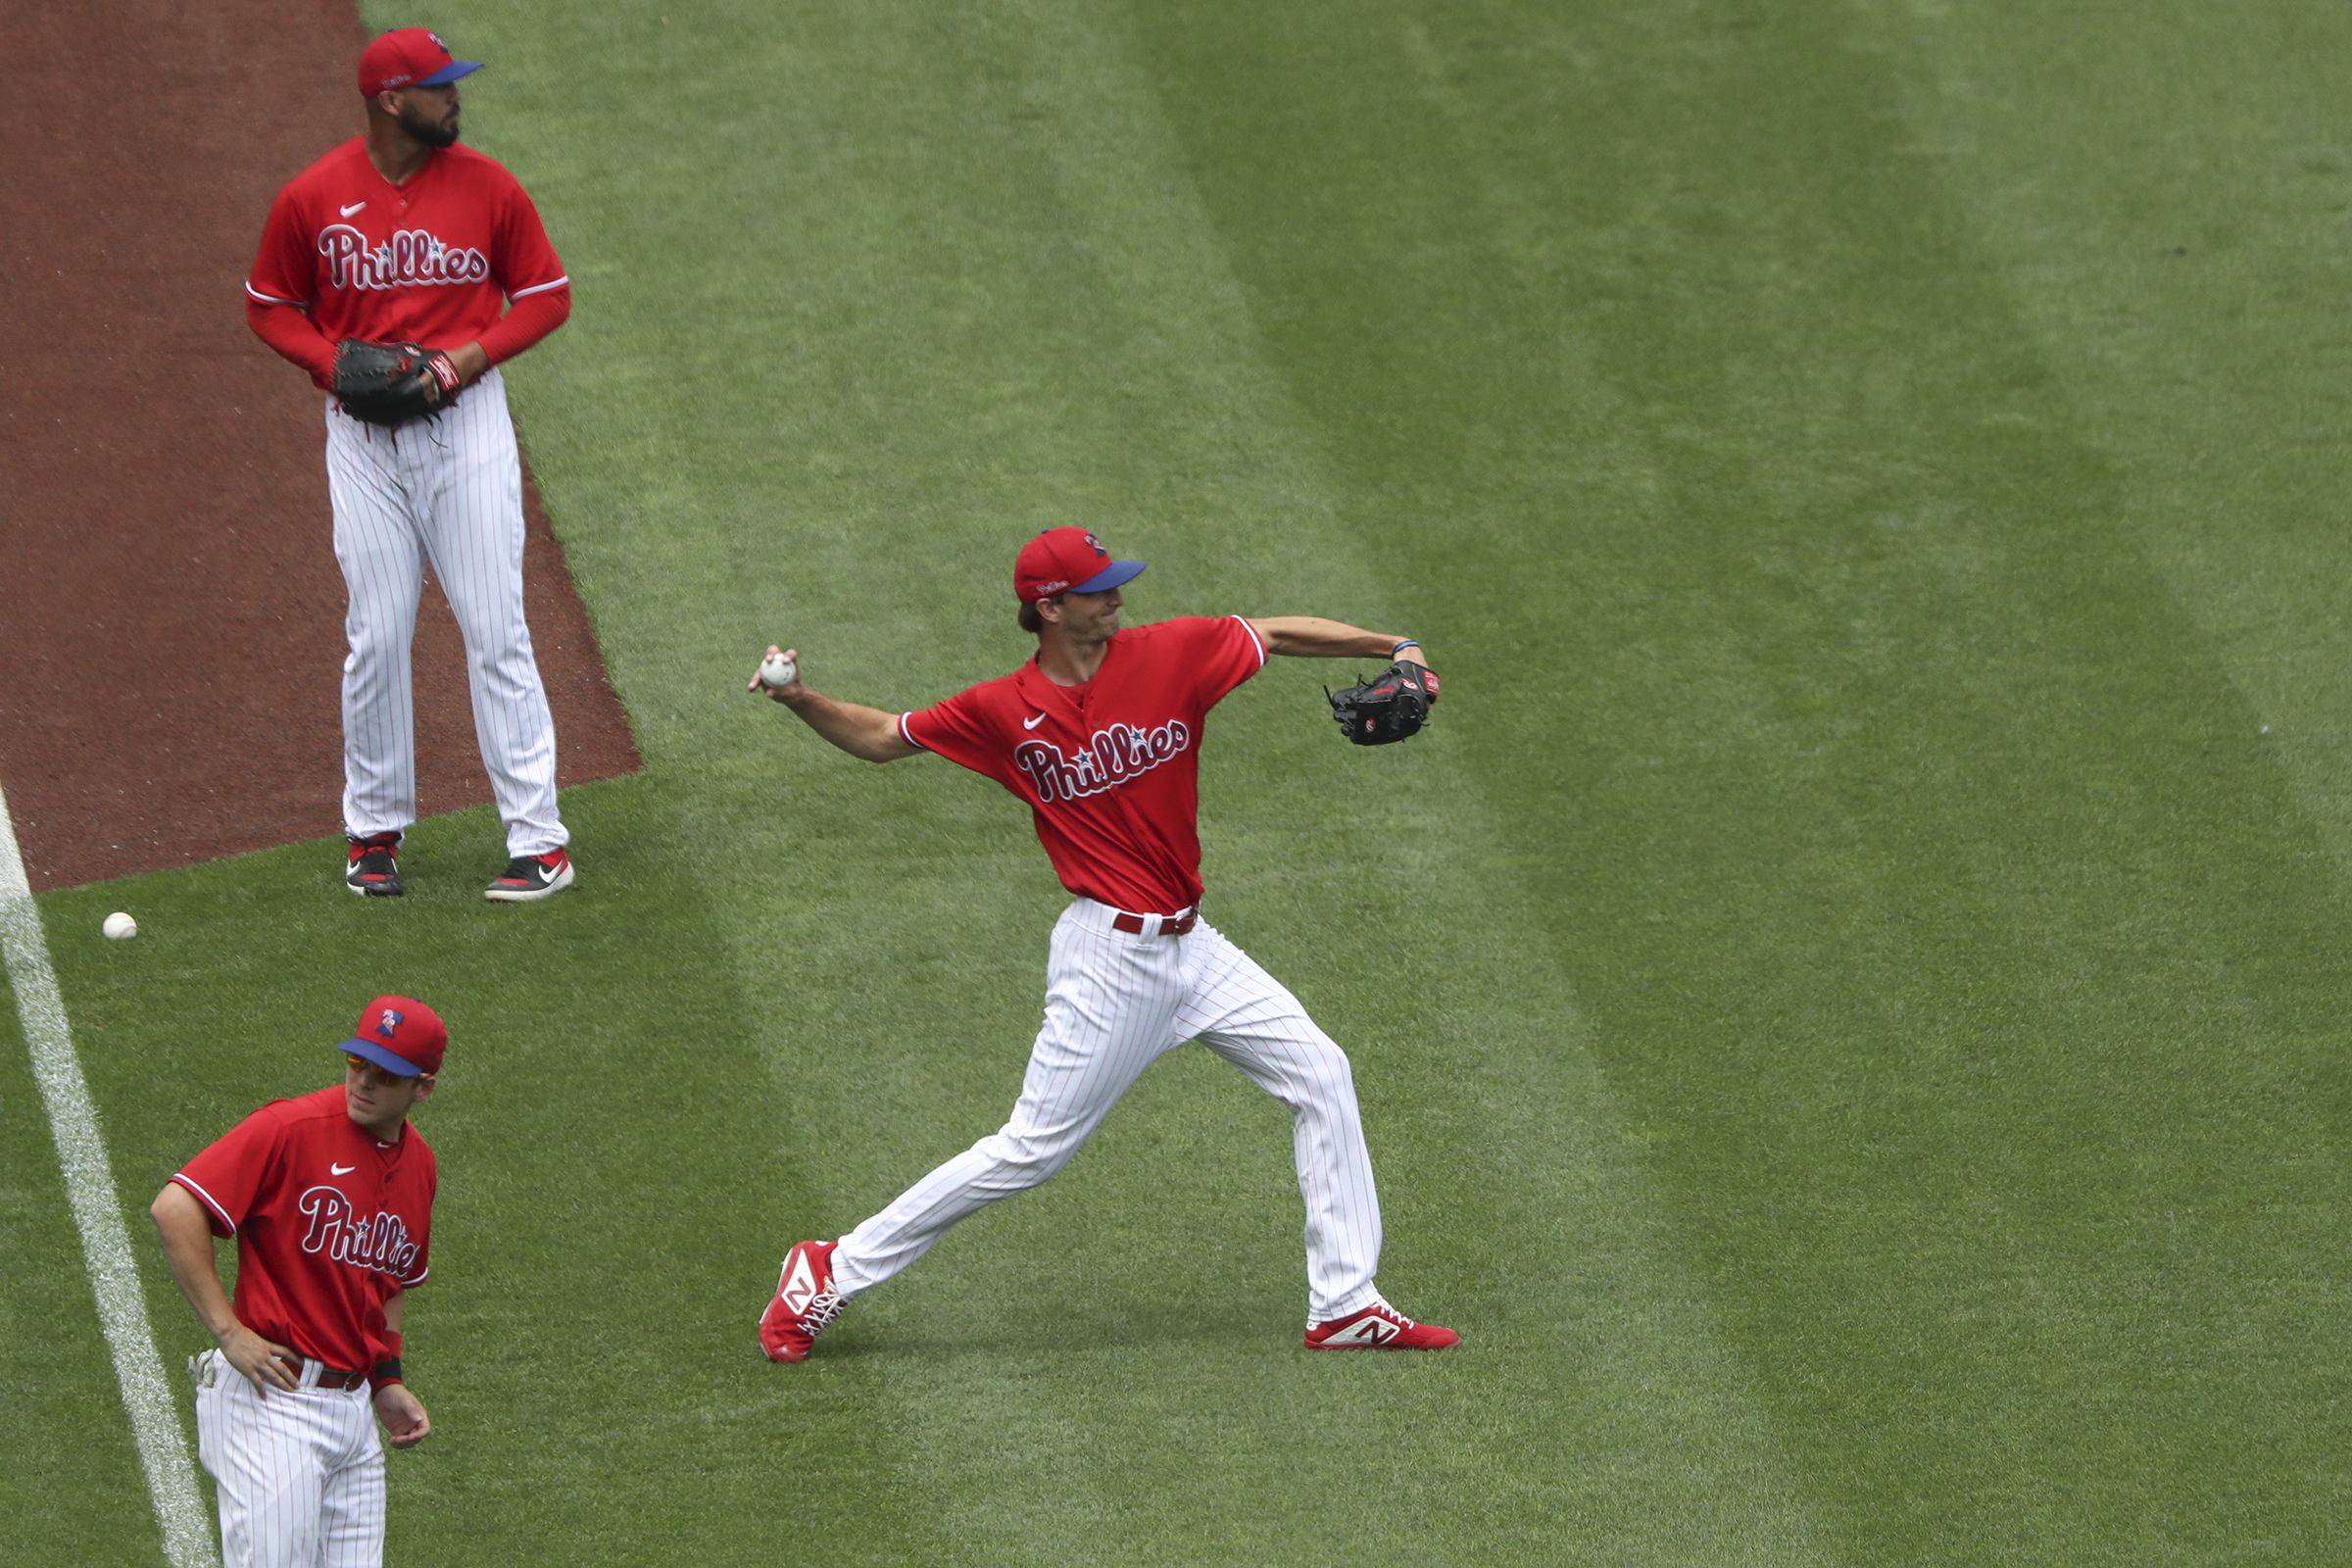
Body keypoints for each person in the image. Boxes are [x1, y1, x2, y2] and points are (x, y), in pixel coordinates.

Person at [750, 526, 1459, 1357]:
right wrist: (802, 700)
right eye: (1098, 589)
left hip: (1194, 948)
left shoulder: (1173, 653)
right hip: (1110, 961)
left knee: (1322, 1075)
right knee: (1029, 1153)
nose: (1118, 596)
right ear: (1050, 608)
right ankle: (828, 1270)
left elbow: (1276, 633)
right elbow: (882, 738)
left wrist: (1396, 645)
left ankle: (1344, 1304)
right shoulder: (1000, 710)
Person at [244, 26, 576, 902]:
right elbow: (269, 305)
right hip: (362, 442)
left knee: (495, 629)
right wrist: (331, 365)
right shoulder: (313, 197)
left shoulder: (490, 187)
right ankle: (373, 832)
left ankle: (540, 842)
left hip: (467, 430)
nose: (456, 97)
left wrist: (466, 359)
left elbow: (546, 296)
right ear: (393, 100)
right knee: (379, 634)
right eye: (440, 86)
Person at [150, 996, 445, 1567]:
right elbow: (175, 1208)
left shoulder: (421, 1166)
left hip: (353, 1415)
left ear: (422, 1088)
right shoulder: (290, 1128)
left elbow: (390, 1283)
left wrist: (386, 1379)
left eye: (386, 1075)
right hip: (272, 1402)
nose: (364, 1082)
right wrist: (229, 1332)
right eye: (358, 1063)